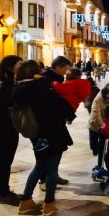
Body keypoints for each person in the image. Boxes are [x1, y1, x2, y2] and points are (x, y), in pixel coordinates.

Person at [14, 61, 75, 216]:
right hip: (51, 132)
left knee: (40, 165)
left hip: (36, 135)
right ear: (35, 73)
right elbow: (60, 106)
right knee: (52, 169)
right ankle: (49, 204)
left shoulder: (18, 90)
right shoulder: (39, 88)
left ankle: (25, 201)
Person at [34, 68, 90, 152]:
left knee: (50, 121)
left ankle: (45, 140)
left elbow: (60, 88)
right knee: (57, 122)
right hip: (70, 107)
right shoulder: (82, 84)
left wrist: (51, 82)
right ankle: (65, 138)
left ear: (68, 77)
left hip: (64, 105)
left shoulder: (73, 84)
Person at [41, 56, 72, 186]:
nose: (66, 72)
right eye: (65, 69)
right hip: (48, 122)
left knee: (59, 148)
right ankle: (45, 180)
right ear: (59, 67)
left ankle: (54, 175)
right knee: (48, 152)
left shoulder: (55, 78)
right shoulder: (48, 80)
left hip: (56, 120)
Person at [0, 55, 22, 204]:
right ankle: (3, 193)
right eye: (19, 65)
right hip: (5, 129)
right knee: (4, 161)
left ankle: (3, 190)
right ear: (10, 68)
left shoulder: (7, 84)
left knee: (4, 160)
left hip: (7, 128)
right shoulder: (7, 87)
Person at [88, 83, 109, 174]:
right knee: (93, 146)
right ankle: (94, 149)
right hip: (94, 126)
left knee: (102, 149)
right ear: (105, 93)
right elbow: (95, 114)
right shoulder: (98, 99)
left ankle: (99, 166)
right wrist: (102, 125)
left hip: (104, 129)